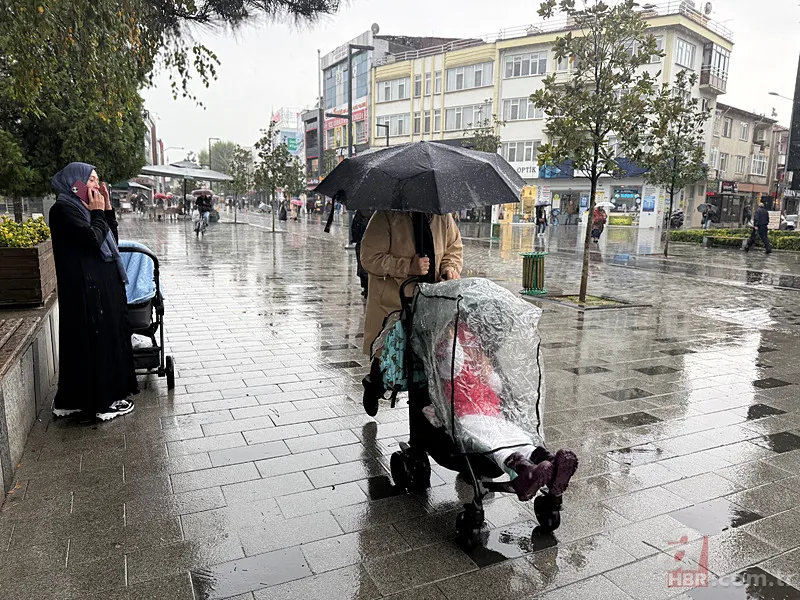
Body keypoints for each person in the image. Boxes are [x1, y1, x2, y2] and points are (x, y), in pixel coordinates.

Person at [429, 322, 577, 501]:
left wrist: (487, 368)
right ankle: (524, 470)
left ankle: (549, 463)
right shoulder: (447, 359)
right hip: (466, 414)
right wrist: (454, 341)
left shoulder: (479, 362)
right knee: (494, 442)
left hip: (492, 413)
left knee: (516, 436)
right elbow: (453, 365)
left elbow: (497, 386)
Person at [49, 163, 138, 421]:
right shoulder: (64, 209)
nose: (97, 186)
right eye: (91, 180)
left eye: (98, 180)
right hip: (86, 291)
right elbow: (91, 240)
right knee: (95, 343)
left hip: (97, 287)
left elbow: (111, 240)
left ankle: (75, 400)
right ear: (74, 184)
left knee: (89, 343)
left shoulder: (83, 209)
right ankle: (103, 403)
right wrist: (98, 213)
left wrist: (106, 209)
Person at [360, 211, 463, 355]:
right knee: (391, 360)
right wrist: (407, 266)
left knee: (429, 358)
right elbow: (369, 258)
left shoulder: (443, 216)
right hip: (393, 306)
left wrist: (449, 268)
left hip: (432, 304)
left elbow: (453, 249)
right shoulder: (385, 215)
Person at [350, 210, 374, 298]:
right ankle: (369, 288)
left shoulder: (360, 212)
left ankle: (366, 288)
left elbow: (354, 228)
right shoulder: (379, 214)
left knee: (362, 267)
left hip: (362, 243)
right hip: (373, 244)